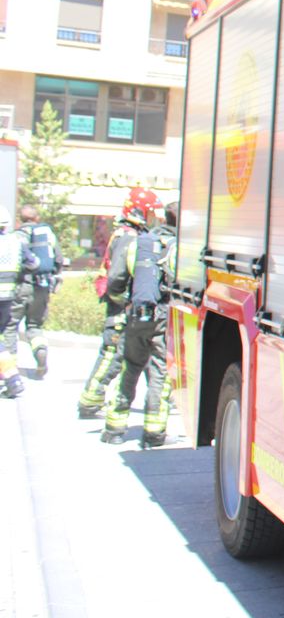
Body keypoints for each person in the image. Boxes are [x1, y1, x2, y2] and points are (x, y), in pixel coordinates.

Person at [77, 187, 162, 419]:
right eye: (151, 214)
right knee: (112, 354)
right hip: (120, 307)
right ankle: (90, 399)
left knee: (136, 354)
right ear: (139, 212)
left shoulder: (125, 233)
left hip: (122, 305)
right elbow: (117, 278)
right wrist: (124, 303)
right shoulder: (129, 237)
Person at [100, 196, 175, 446]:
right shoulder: (180, 247)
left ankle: (114, 429)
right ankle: (154, 433)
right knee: (159, 373)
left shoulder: (139, 243)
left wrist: (125, 303)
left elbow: (115, 281)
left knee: (130, 368)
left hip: (137, 315)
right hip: (165, 319)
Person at [16, 206, 60, 376]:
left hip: (21, 286)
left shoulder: (17, 235)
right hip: (41, 286)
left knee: (10, 328)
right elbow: (58, 259)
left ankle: (9, 370)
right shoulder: (47, 234)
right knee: (35, 325)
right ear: (36, 218)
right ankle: (40, 349)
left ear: (20, 219)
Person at [0, 207, 39, 399]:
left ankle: (12, 378)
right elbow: (34, 263)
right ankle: (12, 378)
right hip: (7, 297)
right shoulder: (15, 242)